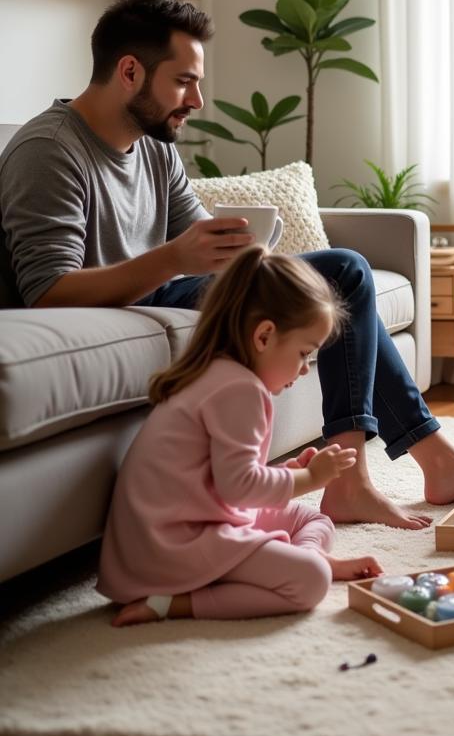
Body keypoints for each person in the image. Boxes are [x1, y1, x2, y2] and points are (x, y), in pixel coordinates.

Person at [0, 0, 454, 530]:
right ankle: (357, 480)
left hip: (159, 292)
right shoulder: (48, 150)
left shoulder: (155, 145)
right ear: (130, 71)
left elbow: (195, 235)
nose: (198, 100)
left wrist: (256, 256)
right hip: (105, 307)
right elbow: (49, 291)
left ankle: (432, 461)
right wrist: (174, 258)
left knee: (334, 280)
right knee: (344, 272)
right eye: (184, 81)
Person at [98, 247, 385, 626]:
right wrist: (311, 478)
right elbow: (239, 488)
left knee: (313, 521)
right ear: (264, 336)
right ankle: (171, 602)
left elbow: (223, 477)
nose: (303, 370)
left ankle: (307, 557)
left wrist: (288, 471)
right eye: (303, 353)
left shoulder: (220, 373)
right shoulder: (240, 390)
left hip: (193, 520)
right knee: (310, 583)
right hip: (175, 543)